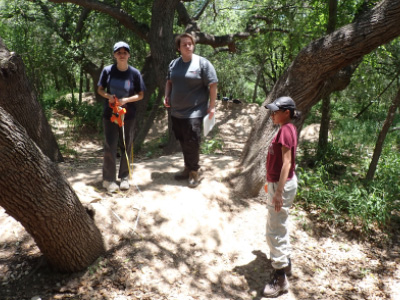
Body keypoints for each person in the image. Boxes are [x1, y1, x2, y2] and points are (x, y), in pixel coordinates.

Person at [164, 33, 218, 188]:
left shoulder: (203, 63)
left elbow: (213, 85)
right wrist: (166, 96)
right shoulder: (174, 64)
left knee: (192, 142)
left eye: (190, 43)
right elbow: (169, 82)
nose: (188, 46)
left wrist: (212, 106)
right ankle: (187, 168)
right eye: (184, 44)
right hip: (176, 111)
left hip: (195, 111)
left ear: (193, 45)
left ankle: (194, 172)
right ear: (178, 48)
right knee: (182, 141)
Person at [263, 96, 300, 297]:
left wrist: (278, 191)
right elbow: (277, 161)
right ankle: (285, 264)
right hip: (278, 182)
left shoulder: (286, 130)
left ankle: (279, 278)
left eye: (276, 111)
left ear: (287, 112)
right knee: (280, 223)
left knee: (274, 229)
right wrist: (269, 182)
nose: (272, 114)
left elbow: (287, 163)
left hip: (282, 185)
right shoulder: (287, 128)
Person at [97, 41, 146, 193]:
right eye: (119, 52)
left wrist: (126, 100)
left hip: (128, 115)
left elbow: (141, 94)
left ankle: (124, 177)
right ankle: (108, 180)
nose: (122, 55)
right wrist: (108, 96)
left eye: (125, 52)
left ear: (129, 55)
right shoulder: (107, 71)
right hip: (110, 114)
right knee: (110, 145)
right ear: (114, 55)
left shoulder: (135, 73)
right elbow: (100, 90)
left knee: (126, 145)